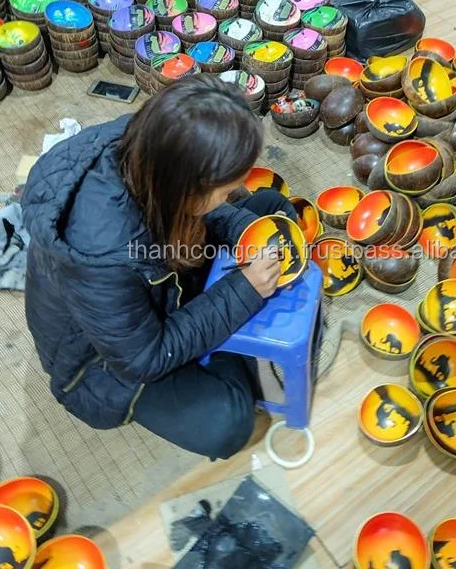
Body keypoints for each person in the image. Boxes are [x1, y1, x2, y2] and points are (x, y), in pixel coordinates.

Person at [21, 76, 296, 460]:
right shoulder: (99, 252)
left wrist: (238, 228)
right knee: (228, 422)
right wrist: (242, 292)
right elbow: (144, 358)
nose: (230, 194)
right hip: (106, 362)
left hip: (161, 272)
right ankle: (238, 343)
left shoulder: (149, 146)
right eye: (223, 188)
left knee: (267, 210)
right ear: (185, 187)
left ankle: (234, 324)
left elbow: (207, 212)